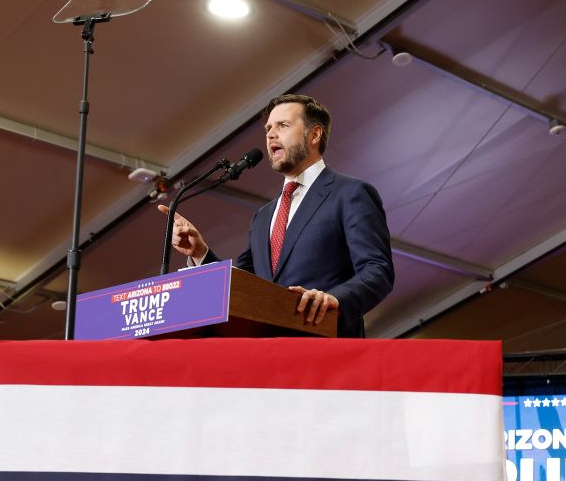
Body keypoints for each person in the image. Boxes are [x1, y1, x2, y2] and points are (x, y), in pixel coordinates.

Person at [160, 94, 394, 338]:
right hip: (269, 359)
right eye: (268, 129)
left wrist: (335, 299)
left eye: (283, 126)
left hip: (327, 349)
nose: (271, 134)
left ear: (314, 135)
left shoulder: (349, 193)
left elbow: (377, 270)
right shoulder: (263, 216)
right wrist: (200, 253)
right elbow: (240, 286)